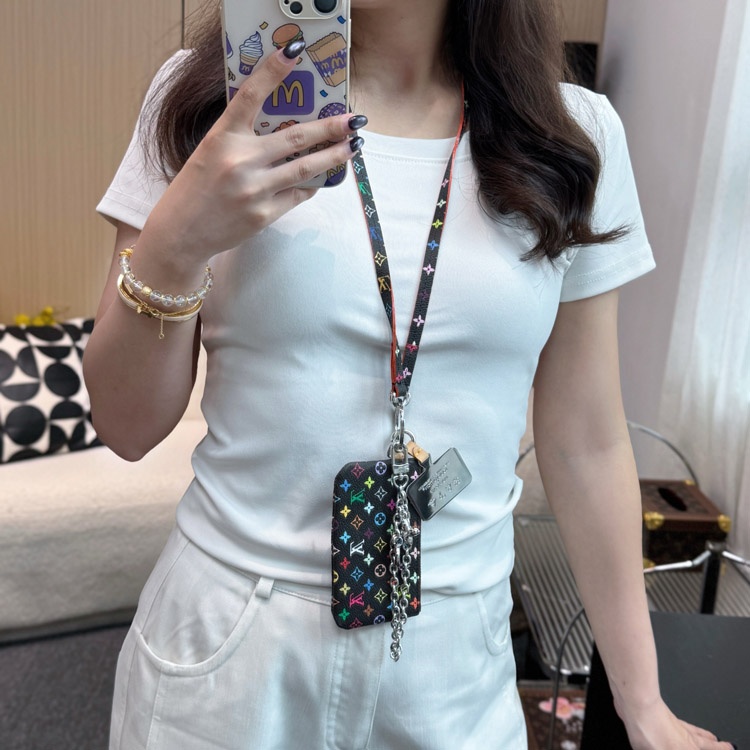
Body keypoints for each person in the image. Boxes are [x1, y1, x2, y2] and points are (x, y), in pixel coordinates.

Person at [83, 1, 735, 748]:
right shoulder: (214, 101)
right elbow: (125, 426)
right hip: (229, 646)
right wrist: (175, 245)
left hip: (456, 660)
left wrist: (641, 701)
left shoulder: (573, 133)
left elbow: (586, 440)